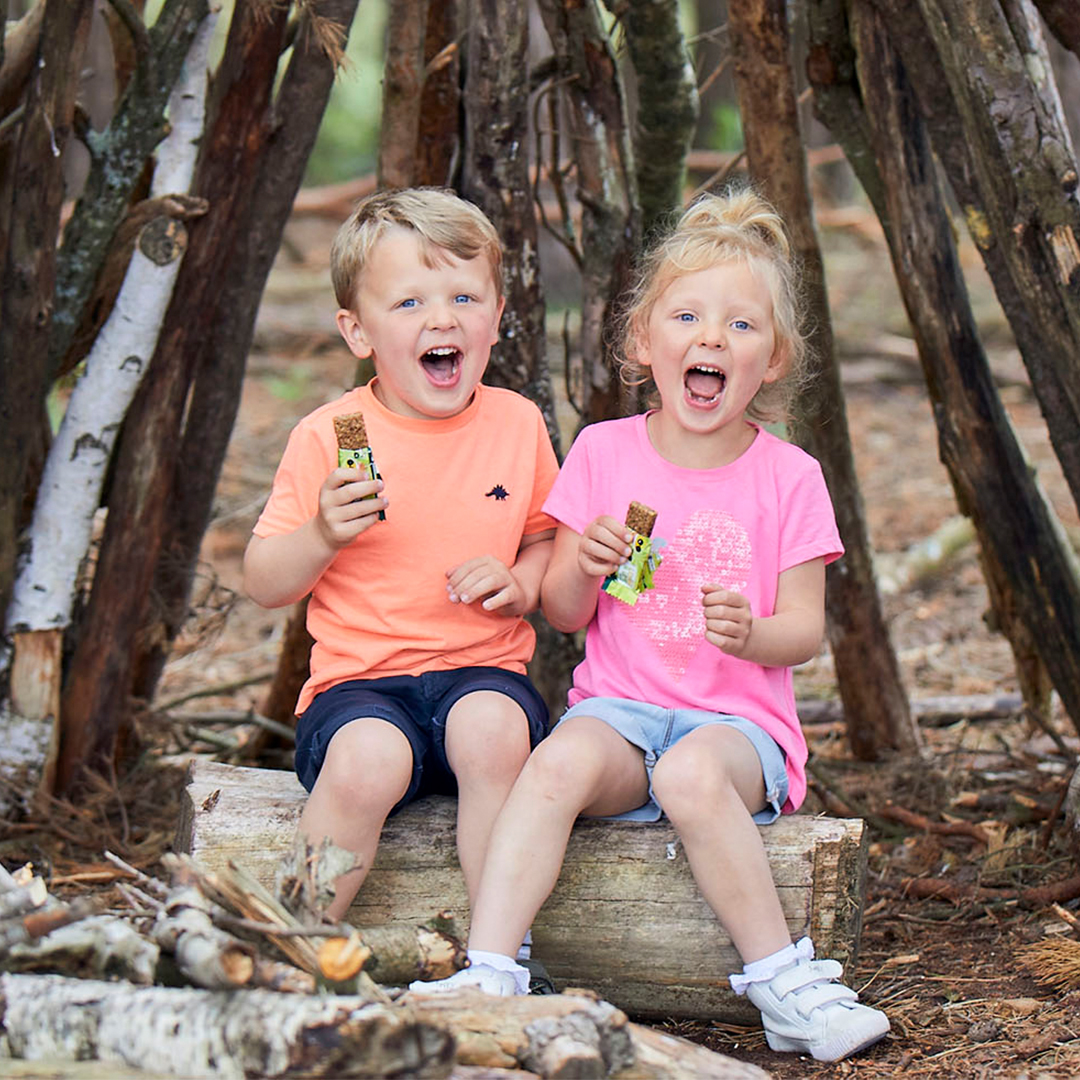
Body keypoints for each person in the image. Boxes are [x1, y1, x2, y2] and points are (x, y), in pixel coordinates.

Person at [409, 189, 890, 1063]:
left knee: (694, 777)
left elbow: (806, 634)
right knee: (552, 765)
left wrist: (752, 632)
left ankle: (783, 982)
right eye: (688, 316)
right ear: (644, 344)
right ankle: (492, 968)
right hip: (621, 713)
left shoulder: (791, 478)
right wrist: (584, 567)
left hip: (737, 728)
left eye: (741, 326)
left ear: (773, 357)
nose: (712, 338)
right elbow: (564, 613)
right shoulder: (604, 454)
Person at [243, 188, 558, 923]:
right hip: (361, 686)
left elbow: (546, 538)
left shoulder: (516, 422)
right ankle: (293, 938)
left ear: (497, 317)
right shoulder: (332, 434)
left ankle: (498, 953)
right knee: (364, 764)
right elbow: (263, 582)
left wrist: (519, 582)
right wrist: (320, 534)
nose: (442, 318)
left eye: (462, 296)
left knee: (495, 736)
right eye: (410, 303)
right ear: (358, 333)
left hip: (481, 674)